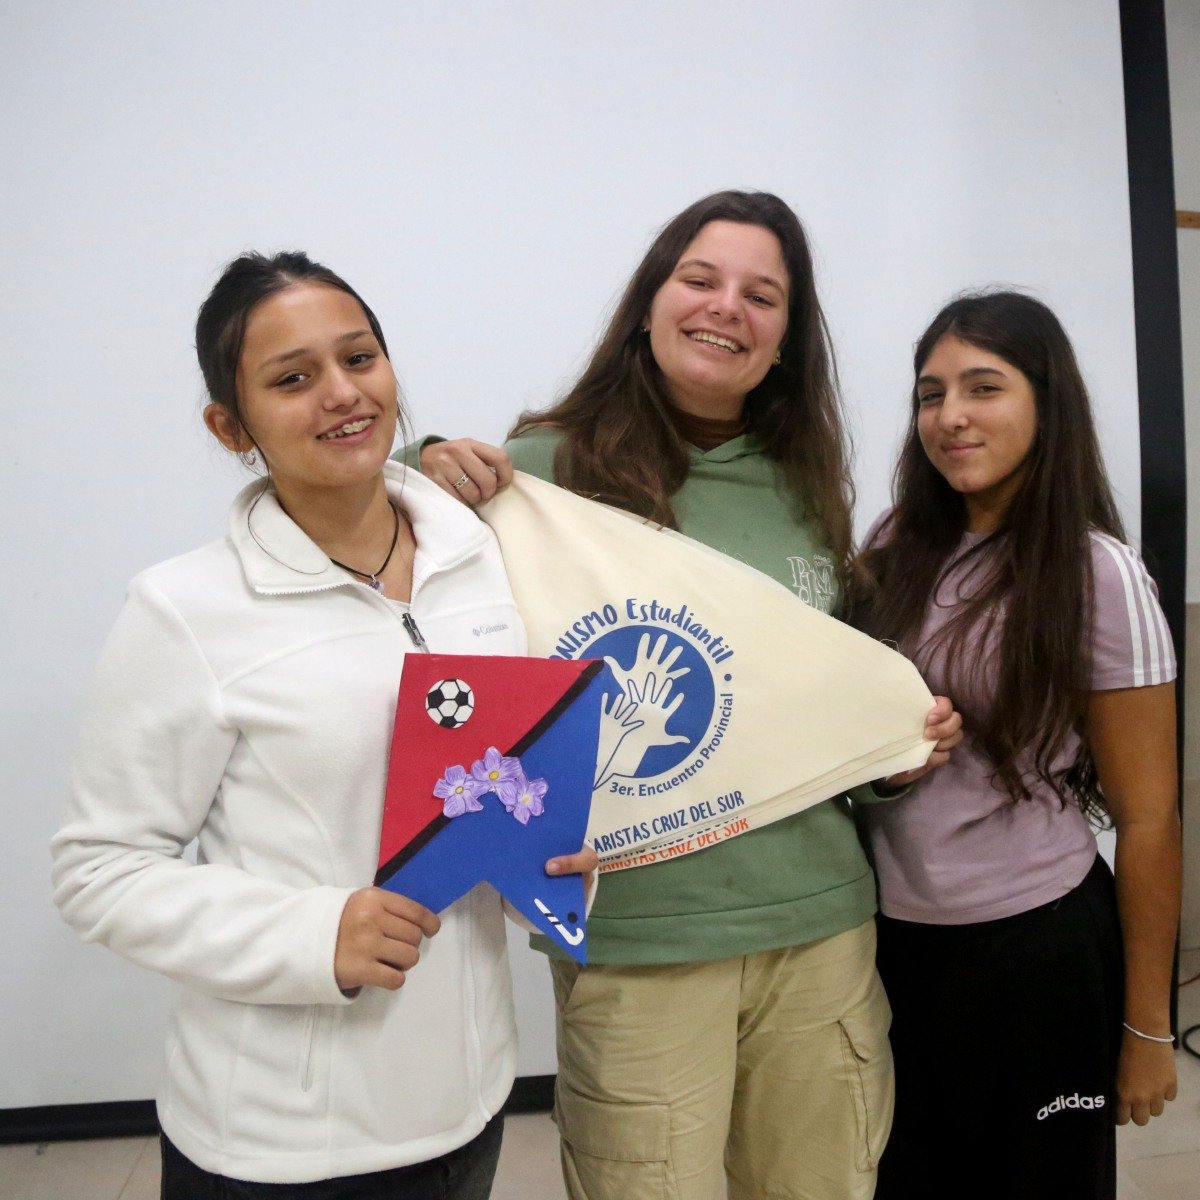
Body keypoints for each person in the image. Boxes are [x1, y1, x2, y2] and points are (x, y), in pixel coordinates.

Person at [410, 190, 962, 1200]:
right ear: (649, 304)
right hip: (640, 938)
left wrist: (897, 752)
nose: (726, 308)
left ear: (786, 341)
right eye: (700, 279)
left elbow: (819, 701)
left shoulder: (807, 488)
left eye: (762, 296)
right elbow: (392, 577)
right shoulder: (537, 469)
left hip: (819, 926)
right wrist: (422, 464)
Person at [50, 251, 596, 1199]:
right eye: (292, 378)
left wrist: (542, 859)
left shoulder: (480, 559)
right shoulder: (187, 610)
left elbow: (485, 789)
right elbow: (98, 871)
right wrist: (314, 933)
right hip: (283, 1143)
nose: (342, 393)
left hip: (468, 1107)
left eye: (359, 357)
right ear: (231, 427)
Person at [848, 291, 1180, 1200]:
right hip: (893, 943)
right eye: (931, 394)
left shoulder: (1097, 572)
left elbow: (1151, 818)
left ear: (1046, 402)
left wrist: (1148, 1027)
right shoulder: (897, 544)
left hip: (1037, 952)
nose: (950, 416)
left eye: (983, 387)